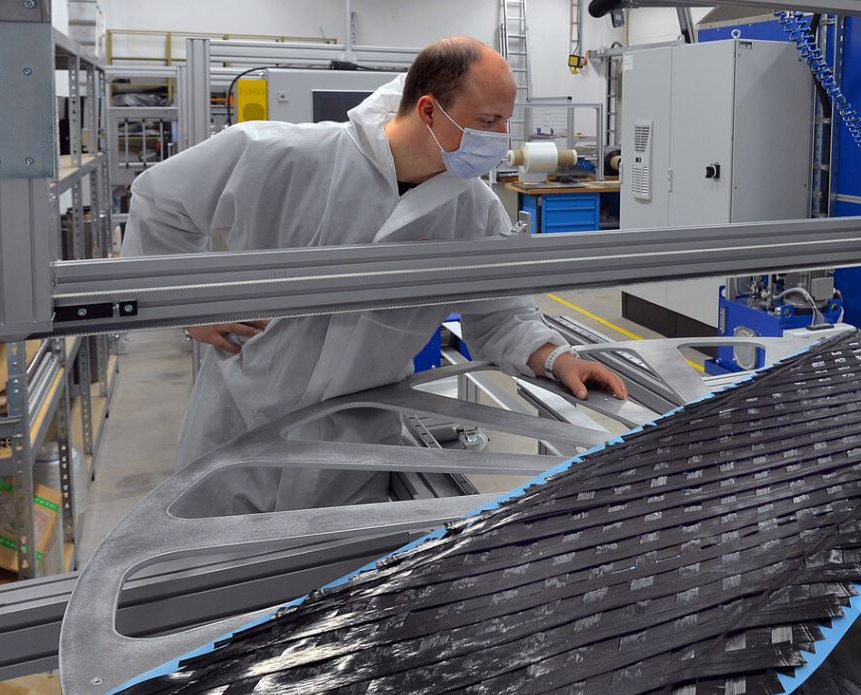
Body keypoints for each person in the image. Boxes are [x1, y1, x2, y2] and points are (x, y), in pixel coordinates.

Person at [123, 37, 627, 514]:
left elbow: (500, 316)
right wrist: (192, 307)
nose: (498, 140)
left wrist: (557, 358)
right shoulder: (282, 156)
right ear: (429, 109)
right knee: (214, 587)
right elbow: (160, 203)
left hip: (354, 448)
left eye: (504, 124)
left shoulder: (475, 210)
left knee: (332, 590)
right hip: (239, 425)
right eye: (487, 121)